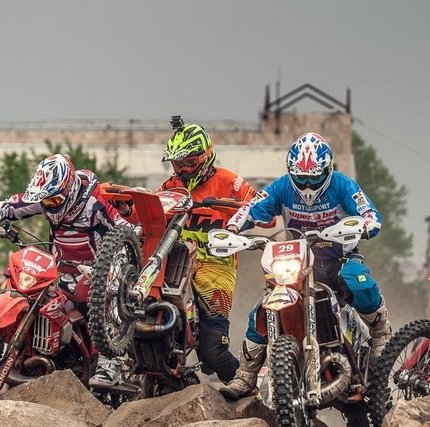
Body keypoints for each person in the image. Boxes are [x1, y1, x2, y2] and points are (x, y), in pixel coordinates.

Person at [219, 132, 392, 400]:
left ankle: (380, 333)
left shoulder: (343, 185)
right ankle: (245, 377)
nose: (308, 184)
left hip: (338, 259)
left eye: (314, 178)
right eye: (301, 178)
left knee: (357, 280)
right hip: (297, 261)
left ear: (328, 170)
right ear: (291, 172)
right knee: (262, 309)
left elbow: (370, 214)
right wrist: (232, 229)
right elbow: (251, 208)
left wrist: (366, 225)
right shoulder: (281, 187)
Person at [0, 153, 127, 387]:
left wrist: (115, 261)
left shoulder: (96, 201)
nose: (49, 205)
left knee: (91, 293)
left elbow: (126, 230)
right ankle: (27, 354)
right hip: (61, 271)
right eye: (46, 201)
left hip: (98, 272)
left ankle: (110, 363)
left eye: (54, 200)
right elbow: (16, 203)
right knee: (35, 298)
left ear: (69, 188)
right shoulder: (46, 198)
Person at [157, 116, 257, 382]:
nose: (183, 169)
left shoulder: (230, 182)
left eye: (190, 162)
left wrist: (235, 211)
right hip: (177, 265)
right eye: (178, 163)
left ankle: (248, 387)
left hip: (216, 265)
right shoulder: (171, 186)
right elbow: (151, 215)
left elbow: (264, 213)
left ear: (205, 156)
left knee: (213, 353)